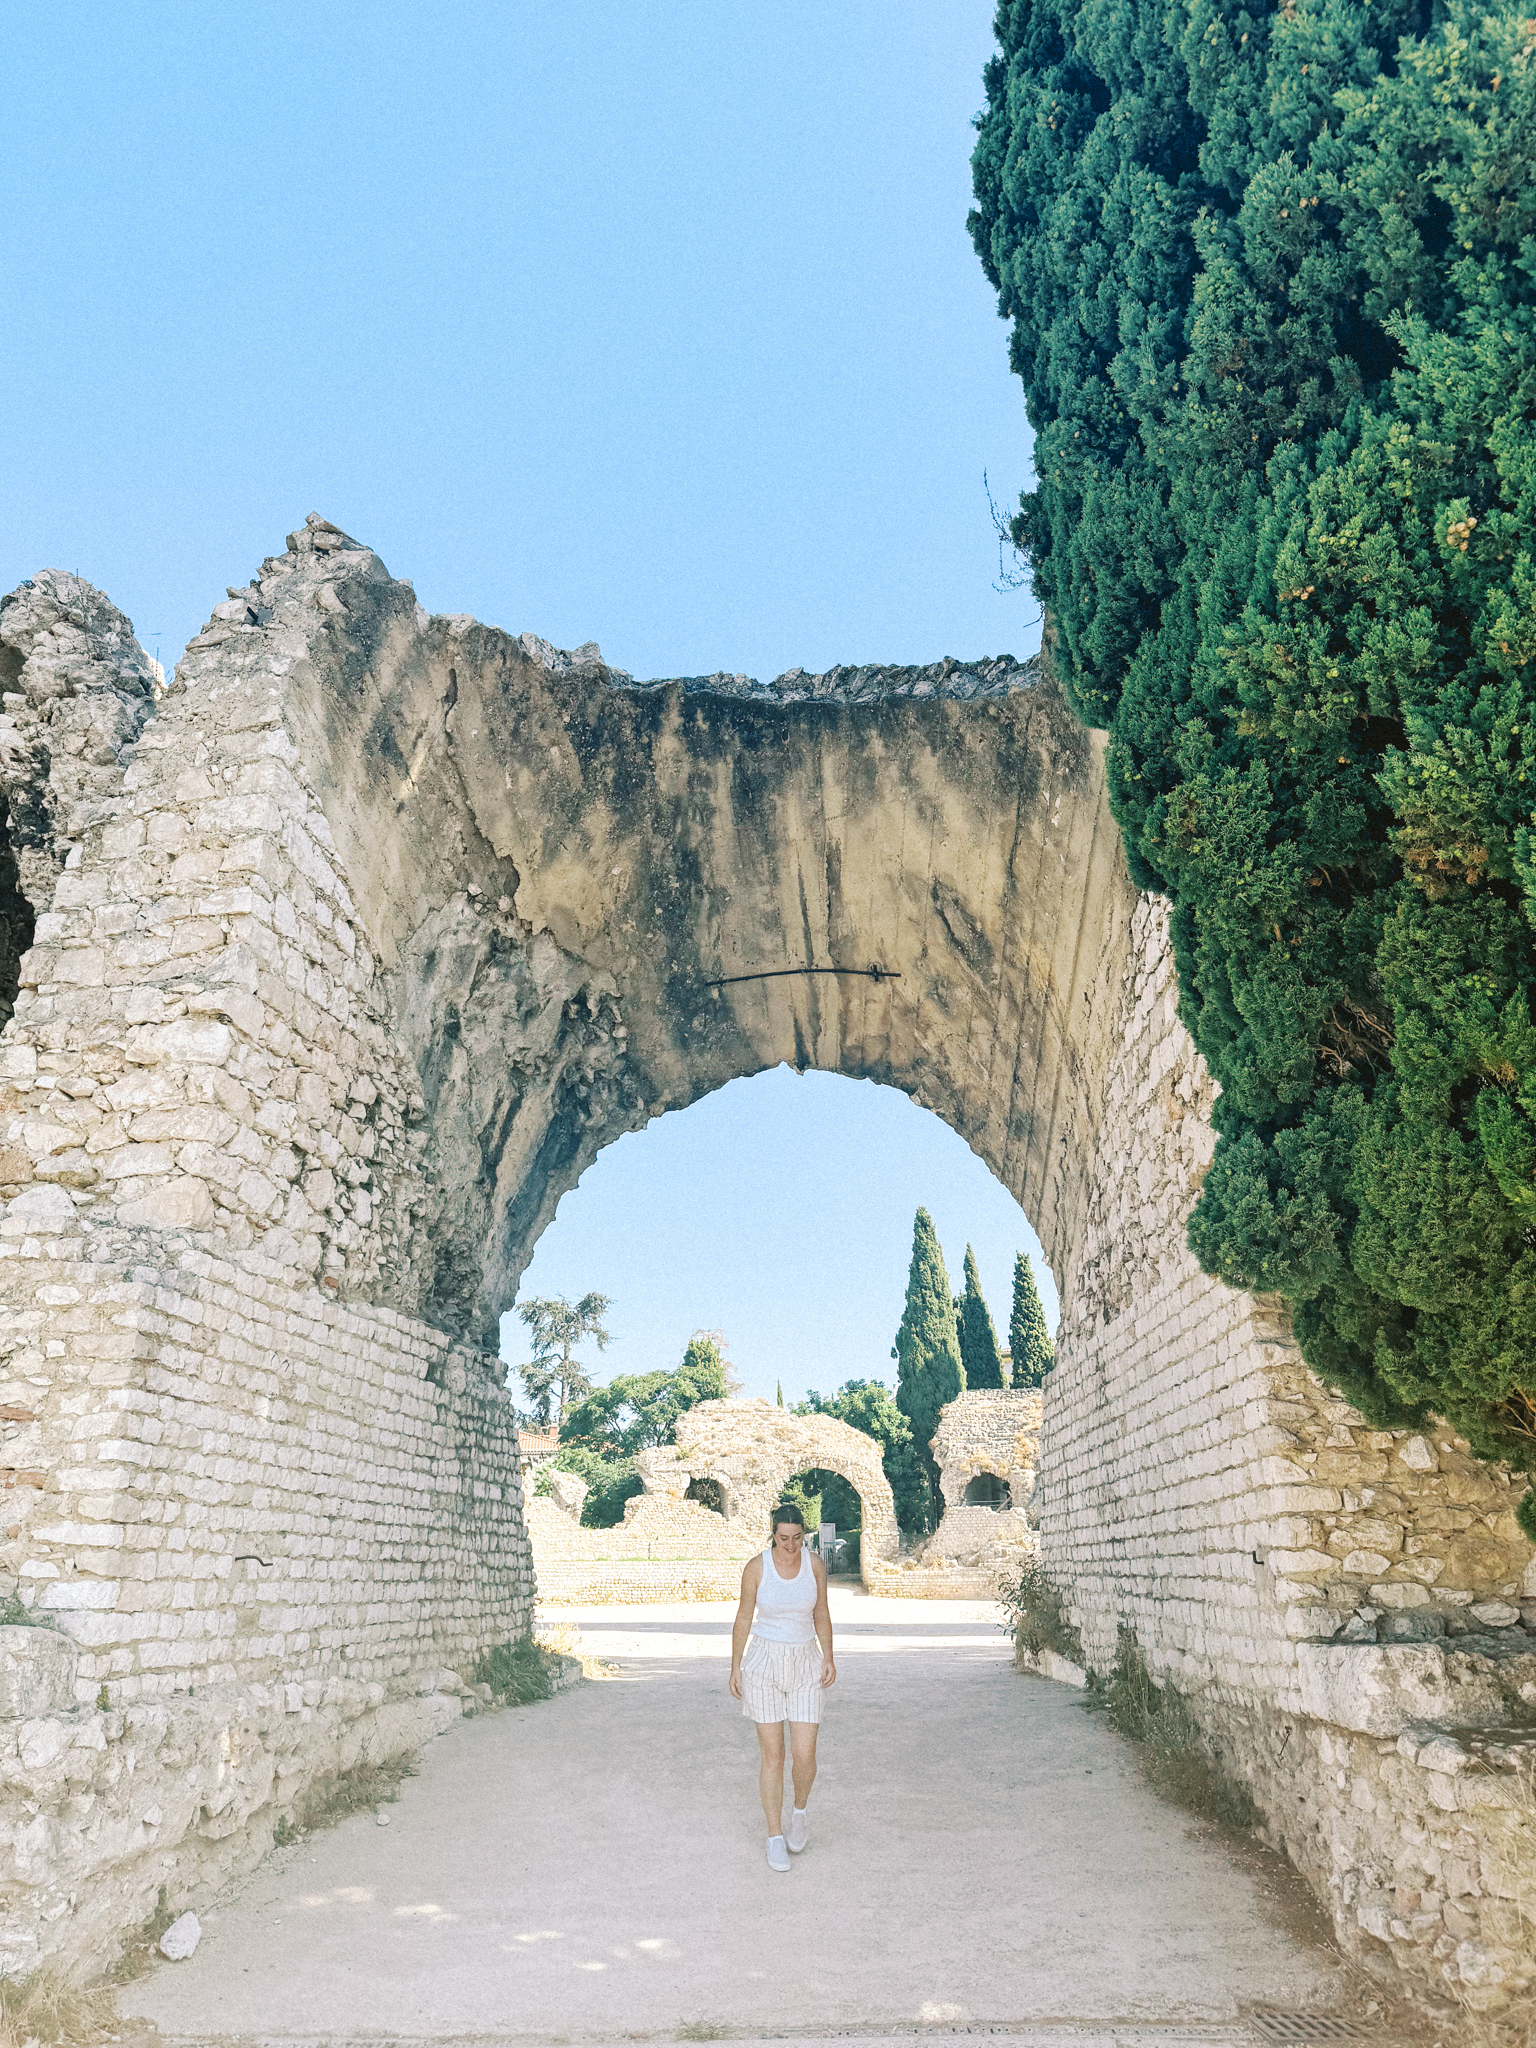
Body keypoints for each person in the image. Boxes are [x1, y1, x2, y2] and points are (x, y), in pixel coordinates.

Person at [728, 1500, 836, 1871]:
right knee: (773, 1755)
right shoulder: (756, 1568)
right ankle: (774, 1836)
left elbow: (821, 1613)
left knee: (804, 1754)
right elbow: (744, 1616)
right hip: (763, 1663)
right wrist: (735, 1666)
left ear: (803, 1535)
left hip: (806, 1661)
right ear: (773, 1535)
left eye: (797, 1538)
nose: (790, 1546)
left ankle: (800, 1813)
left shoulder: (815, 1566)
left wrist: (828, 1657)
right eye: (783, 1538)